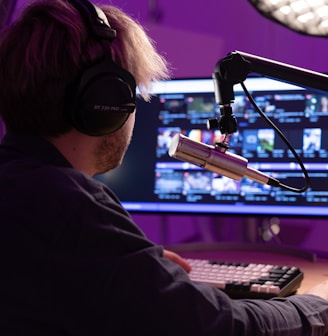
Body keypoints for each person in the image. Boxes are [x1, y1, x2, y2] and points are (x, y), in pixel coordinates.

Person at [0, 0, 328, 335]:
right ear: (106, 102)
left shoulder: (20, 186)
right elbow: (220, 327)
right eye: (132, 94)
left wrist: (137, 269)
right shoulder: (67, 203)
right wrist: (319, 307)